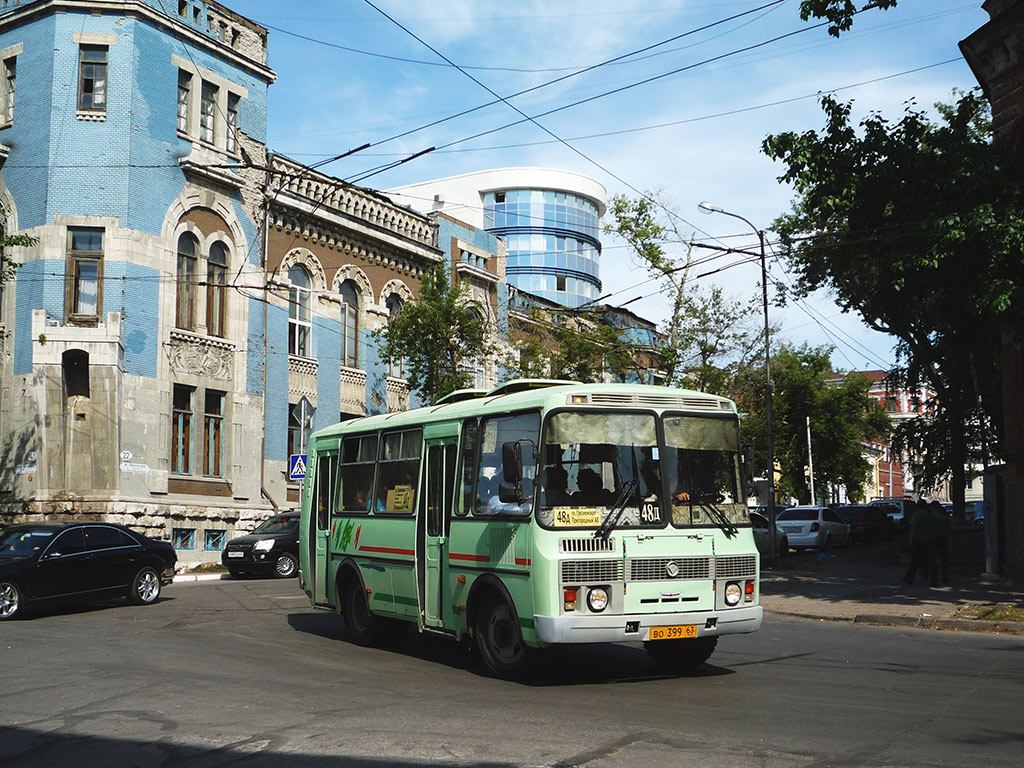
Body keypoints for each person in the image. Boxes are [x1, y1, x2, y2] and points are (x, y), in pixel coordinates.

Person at [903, 498, 937, 586]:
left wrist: (910, 540)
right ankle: (934, 580)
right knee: (932, 562)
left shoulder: (916, 515)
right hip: (930, 540)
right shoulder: (931, 515)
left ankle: (909, 578)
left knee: (915, 561)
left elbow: (913, 528)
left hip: (919, 541)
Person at [930, 500, 952, 584]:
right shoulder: (944, 517)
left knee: (933, 559)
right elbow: (949, 527)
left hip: (934, 538)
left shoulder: (931, 517)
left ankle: (934, 578)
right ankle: (945, 577)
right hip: (943, 538)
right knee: (944, 559)